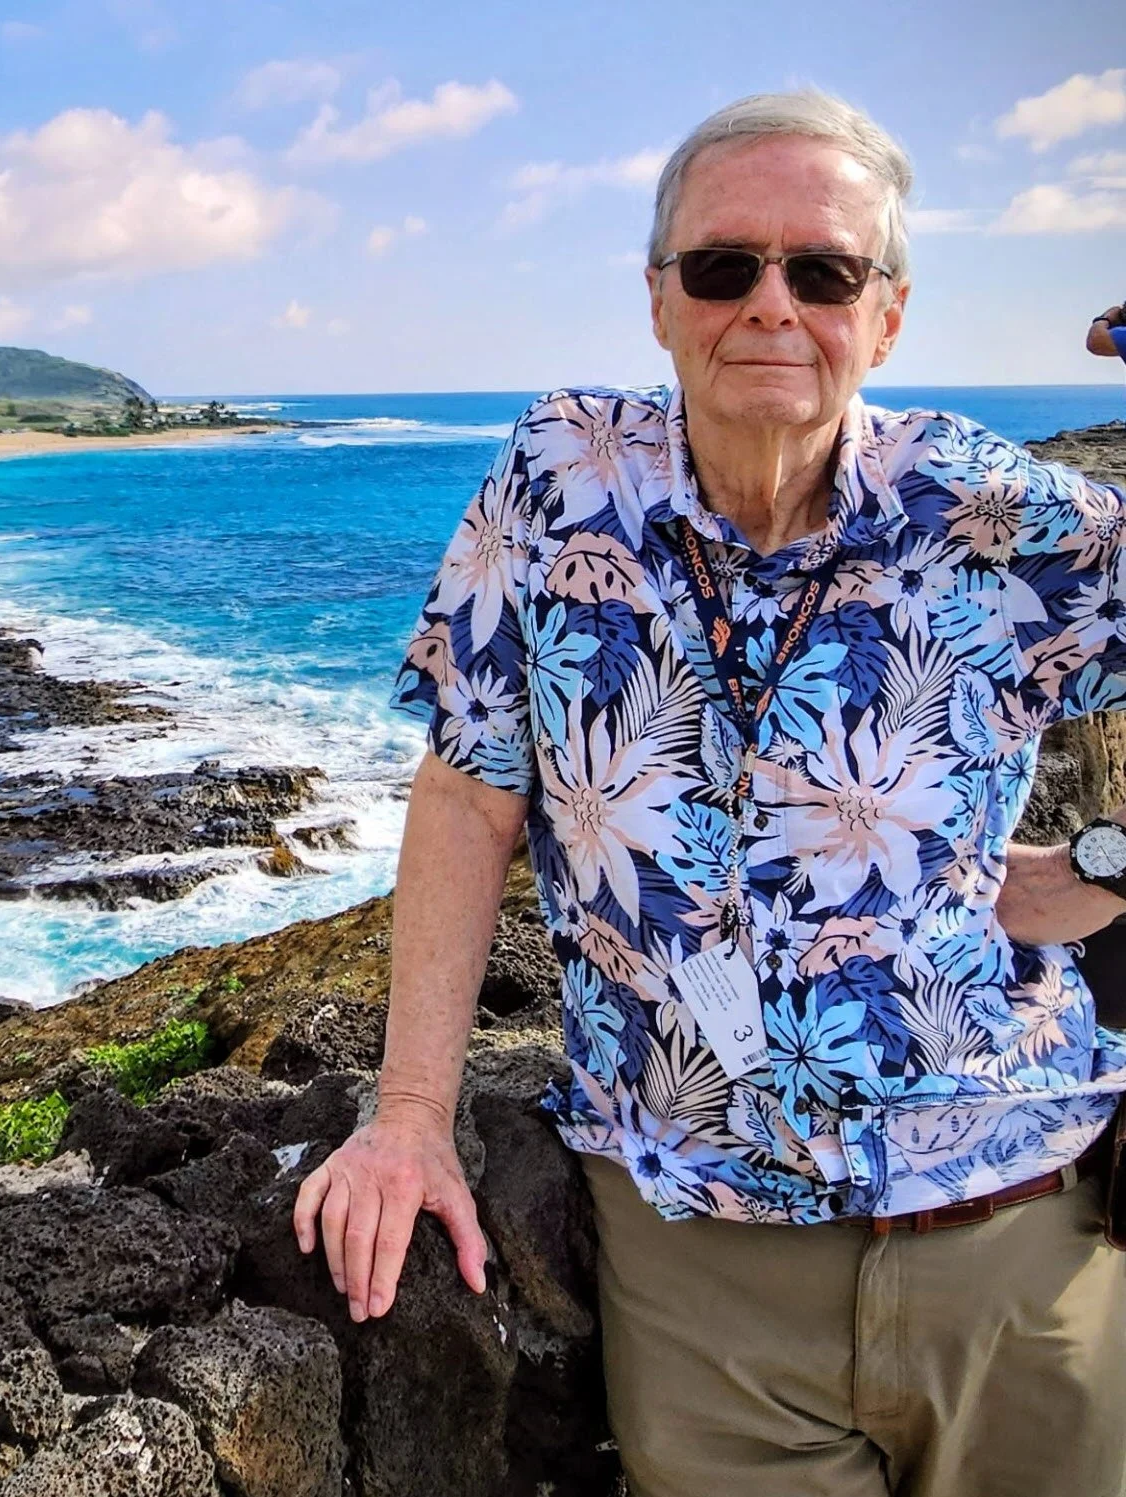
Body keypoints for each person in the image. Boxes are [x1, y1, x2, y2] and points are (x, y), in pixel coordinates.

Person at [294, 89, 1126, 1497]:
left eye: (825, 272)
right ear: (662, 299)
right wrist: (411, 1116)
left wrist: (1108, 861)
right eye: (725, 266)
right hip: (702, 1268)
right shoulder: (559, 482)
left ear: (889, 315)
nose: (772, 306)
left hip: (1020, 1237)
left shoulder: (1005, 516)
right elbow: (469, 792)